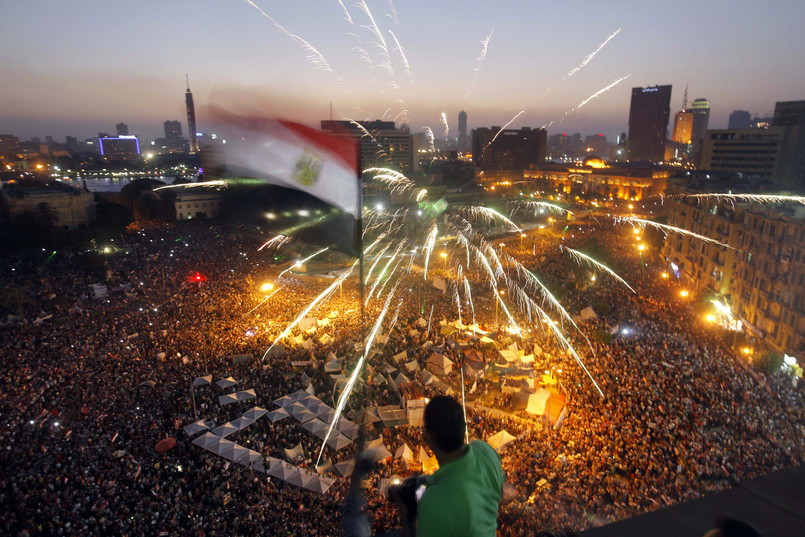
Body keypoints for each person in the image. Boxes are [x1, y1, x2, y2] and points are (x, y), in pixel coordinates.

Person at [411, 395, 504, 537]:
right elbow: (499, 492)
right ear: (464, 427)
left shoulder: (435, 501)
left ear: (427, 436)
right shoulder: (486, 452)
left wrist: (406, 518)